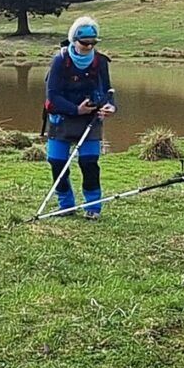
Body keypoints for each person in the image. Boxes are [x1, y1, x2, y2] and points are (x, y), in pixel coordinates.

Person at [43, 16, 116, 219]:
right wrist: (76, 109)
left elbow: (108, 91)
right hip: (62, 117)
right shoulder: (60, 61)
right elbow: (53, 96)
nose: (89, 46)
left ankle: (93, 208)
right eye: (85, 43)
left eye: (93, 43)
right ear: (74, 40)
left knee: (89, 162)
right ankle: (66, 205)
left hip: (90, 119)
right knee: (57, 162)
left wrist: (110, 107)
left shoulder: (100, 62)